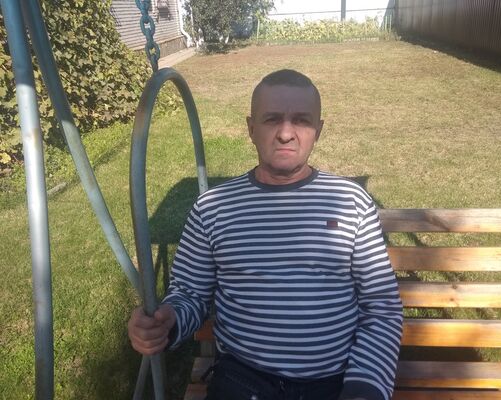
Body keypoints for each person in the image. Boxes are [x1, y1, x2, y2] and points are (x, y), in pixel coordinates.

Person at [128, 69, 403, 400]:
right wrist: (167, 321)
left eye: (301, 120)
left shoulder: (350, 202)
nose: (286, 133)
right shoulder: (214, 208)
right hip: (243, 380)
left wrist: (365, 386)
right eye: (272, 119)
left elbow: (381, 307)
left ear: (318, 130)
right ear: (251, 128)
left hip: (333, 382)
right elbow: (190, 293)